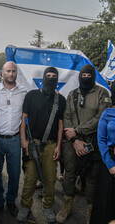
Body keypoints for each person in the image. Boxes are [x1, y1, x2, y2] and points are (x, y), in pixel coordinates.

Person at [56, 64, 111, 224]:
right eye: (83, 75)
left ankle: (90, 210)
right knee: (69, 174)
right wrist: (73, 139)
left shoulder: (103, 93)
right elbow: (66, 117)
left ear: (93, 76)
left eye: (89, 75)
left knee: (92, 177)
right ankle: (67, 205)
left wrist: (78, 130)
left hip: (94, 142)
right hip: (73, 143)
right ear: (79, 76)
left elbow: (102, 117)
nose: (85, 77)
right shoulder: (72, 94)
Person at [16, 67, 66, 223]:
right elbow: (23, 119)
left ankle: (48, 206)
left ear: (57, 79)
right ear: (43, 77)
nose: (51, 78)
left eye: (54, 76)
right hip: (32, 144)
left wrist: (58, 146)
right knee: (30, 178)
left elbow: (60, 125)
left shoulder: (61, 99)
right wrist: (23, 141)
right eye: (48, 76)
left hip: (51, 145)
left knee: (50, 179)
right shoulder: (31, 95)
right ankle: (25, 206)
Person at [0, 61, 27, 218]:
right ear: (2, 73)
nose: (11, 74)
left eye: (14, 71)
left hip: (14, 140)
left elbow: (40, 96)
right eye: (8, 71)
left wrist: (56, 93)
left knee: (15, 174)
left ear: (17, 73)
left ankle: (11, 201)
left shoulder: (24, 91)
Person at [90, 82, 115, 224]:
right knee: (106, 201)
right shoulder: (107, 113)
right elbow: (102, 140)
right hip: (109, 161)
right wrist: (111, 165)